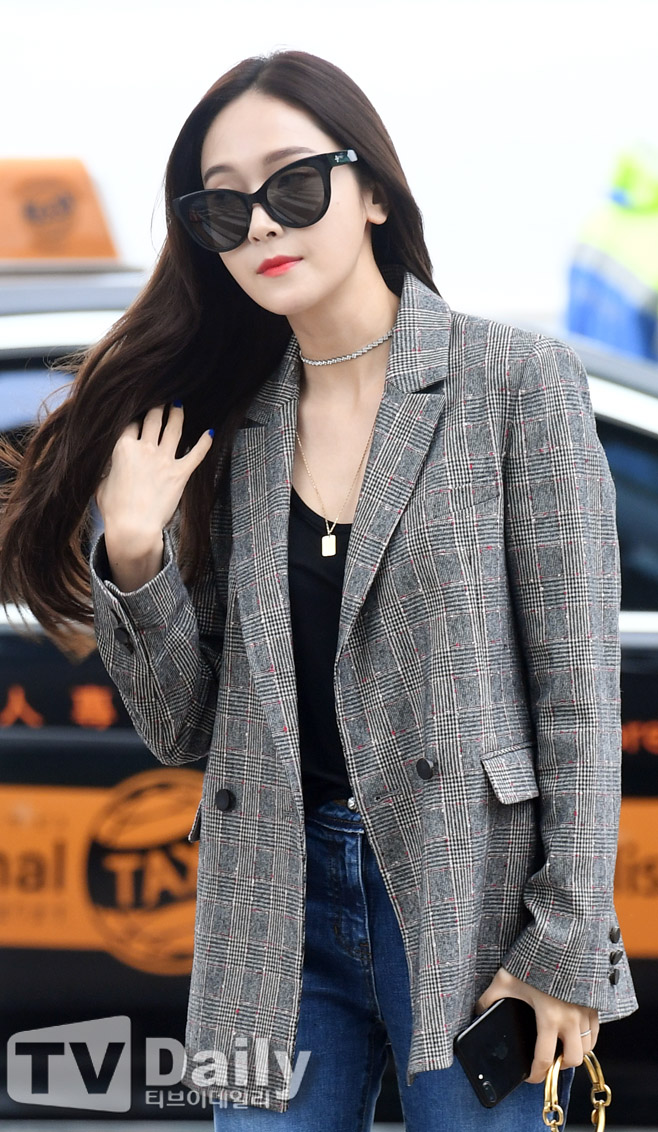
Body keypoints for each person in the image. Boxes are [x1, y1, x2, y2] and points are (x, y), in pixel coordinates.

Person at [0, 49, 637, 1131]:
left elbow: (577, 696)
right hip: (270, 907)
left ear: (373, 190)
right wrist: (139, 556)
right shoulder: (229, 422)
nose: (260, 223)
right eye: (224, 205)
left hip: (470, 903)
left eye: (294, 185)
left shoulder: (516, 383)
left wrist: (567, 948)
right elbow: (184, 729)